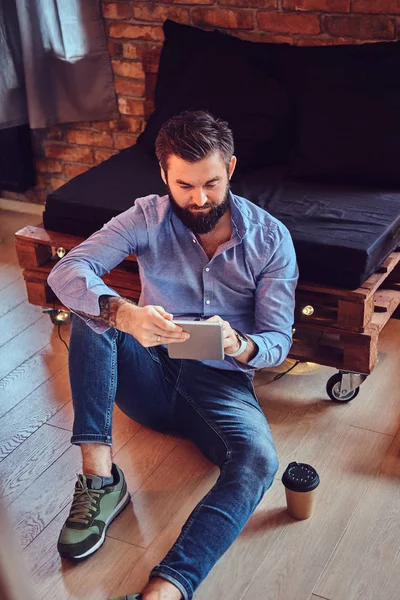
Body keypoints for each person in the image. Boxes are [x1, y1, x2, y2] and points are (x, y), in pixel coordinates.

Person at [47, 110, 298, 600]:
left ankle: (165, 590)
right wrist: (125, 313)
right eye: (184, 186)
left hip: (221, 386)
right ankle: (100, 480)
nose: (199, 199)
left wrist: (239, 344)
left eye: (211, 183)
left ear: (230, 168)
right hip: (150, 374)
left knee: (258, 460)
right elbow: (68, 271)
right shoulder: (147, 215)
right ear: (164, 175)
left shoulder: (271, 240)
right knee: (94, 311)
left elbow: (277, 341)